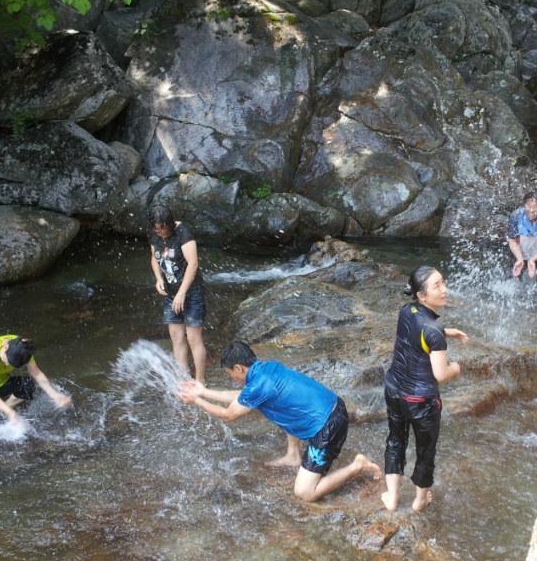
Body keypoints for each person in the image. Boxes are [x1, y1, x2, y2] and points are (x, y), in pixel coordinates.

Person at [176, 342, 382, 503]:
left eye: (229, 373)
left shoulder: (258, 386)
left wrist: (197, 401)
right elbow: (243, 396)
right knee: (278, 405)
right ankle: (293, 455)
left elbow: (227, 415)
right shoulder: (267, 369)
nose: (231, 378)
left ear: (238, 368)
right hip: (334, 406)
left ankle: (357, 465)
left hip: (328, 427)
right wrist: (203, 391)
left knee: (304, 492)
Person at [382, 267, 469, 514]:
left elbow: (418, 332)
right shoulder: (433, 331)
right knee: (425, 449)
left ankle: (392, 497)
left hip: (394, 392)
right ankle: (419, 500)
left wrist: (446, 332)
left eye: (443, 283)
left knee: (396, 441)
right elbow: (440, 374)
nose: (444, 290)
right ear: (422, 295)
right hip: (421, 402)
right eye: (437, 286)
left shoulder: (405, 311)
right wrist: (456, 368)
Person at [149, 203, 207, 384]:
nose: (162, 233)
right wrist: (158, 278)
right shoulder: (155, 235)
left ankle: (200, 381)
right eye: (158, 230)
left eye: (165, 229)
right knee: (176, 337)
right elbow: (154, 257)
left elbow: (193, 264)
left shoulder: (183, 232)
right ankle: (183, 380)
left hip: (191, 293)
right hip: (171, 293)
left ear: (171, 223)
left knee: (193, 338)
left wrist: (182, 293)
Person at [0, 334, 71, 427]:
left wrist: (55, 395)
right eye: (7, 361)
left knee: (28, 384)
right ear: (5, 348)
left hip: (1, 385)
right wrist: (12, 414)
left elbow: (36, 373)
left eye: (11, 364)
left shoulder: (23, 348)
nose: (7, 365)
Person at [507, 191, 537, 284]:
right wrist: (519, 259)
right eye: (528, 206)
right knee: (512, 280)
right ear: (524, 205)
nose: (531, 210)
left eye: (535, 206)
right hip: (520, 252)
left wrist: (532, 260)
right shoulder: (516, 216)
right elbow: (512, 241)